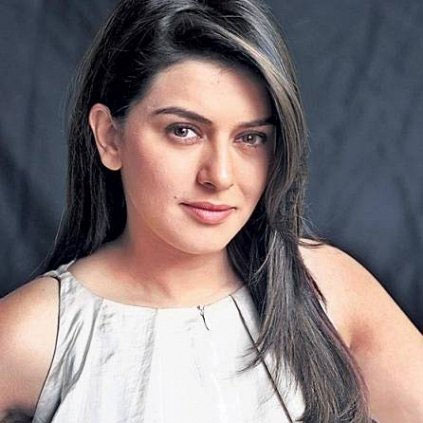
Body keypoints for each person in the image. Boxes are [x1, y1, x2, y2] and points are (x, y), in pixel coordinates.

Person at [0, 0, 422, 422]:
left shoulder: (324, 288)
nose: (219, 176)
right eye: (184, 131)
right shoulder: (33, 334)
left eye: (250, 138)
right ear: (109, 137)